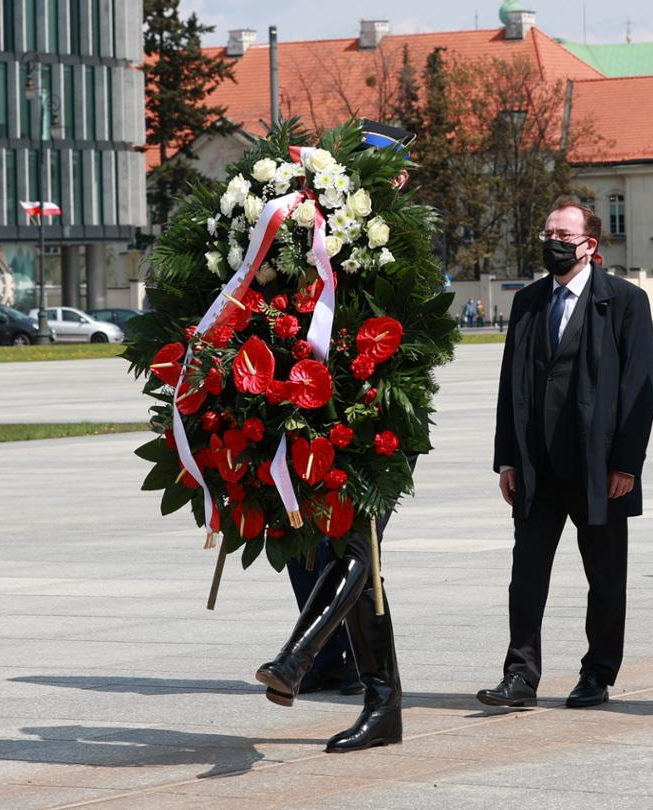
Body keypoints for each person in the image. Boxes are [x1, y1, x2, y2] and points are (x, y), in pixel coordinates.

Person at [254, 118, 421, 753]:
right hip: (327, 413)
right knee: (358, 559)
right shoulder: (325, 235)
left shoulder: (399, 239)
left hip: (382, 422)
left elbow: (408, 338)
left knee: (356, 548)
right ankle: (383, 705)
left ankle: (297, 658)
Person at [477, 197, 653, 710]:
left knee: (605, 576)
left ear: (589, 245)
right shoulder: (528, 301)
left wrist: (626, 464)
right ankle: (520, 675)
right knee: (526, 574)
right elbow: (510, 383)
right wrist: (507, 458)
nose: (553, 243)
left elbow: (640, 385)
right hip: (537, 465)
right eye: (548, 234)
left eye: (563, 236)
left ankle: (597, 673)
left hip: (599, 467)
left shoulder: (624, 301)